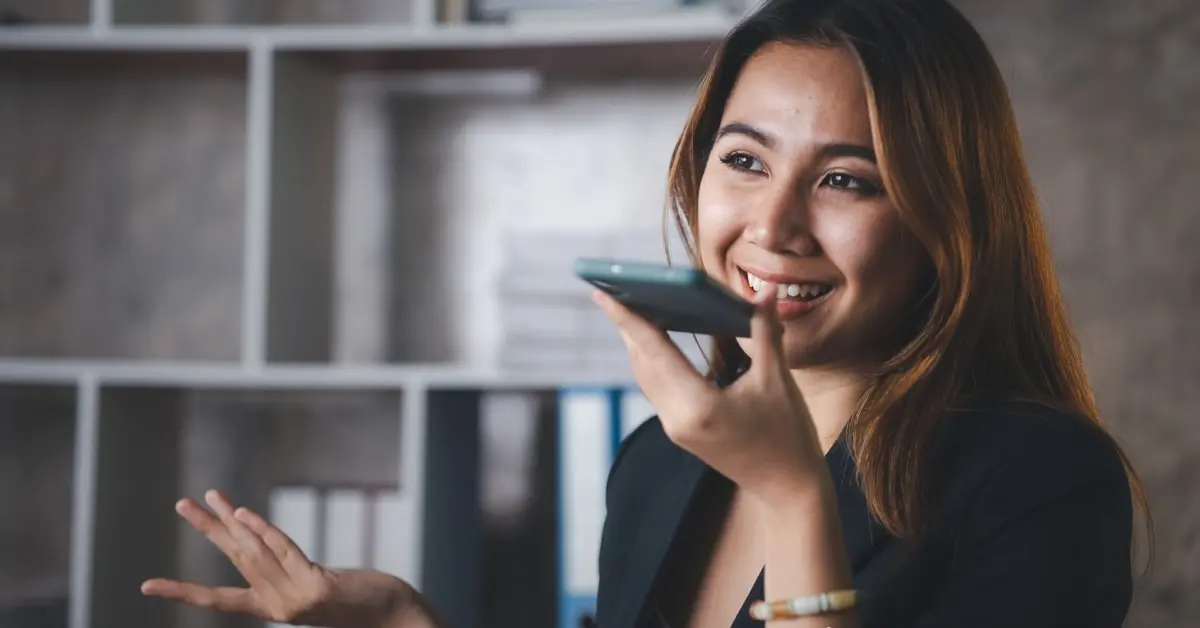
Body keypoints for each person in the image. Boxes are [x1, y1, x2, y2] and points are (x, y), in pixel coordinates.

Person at [141, 0, 1153, 626]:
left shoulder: (1043, 482)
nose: (774, 224)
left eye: (849, 180)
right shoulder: (661, 462)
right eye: (744, 161)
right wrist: (406, 621)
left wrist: (794, 495)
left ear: (950, 218)